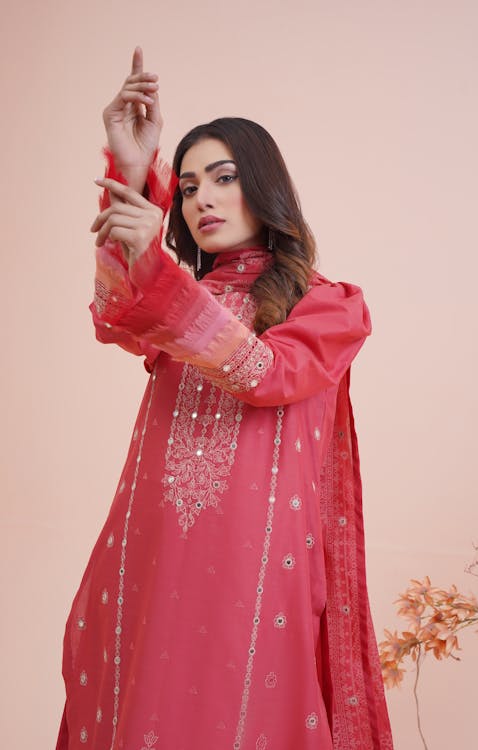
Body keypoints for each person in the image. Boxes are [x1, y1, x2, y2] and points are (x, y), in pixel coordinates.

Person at [56, 47, 393, 750]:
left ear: (263, 187)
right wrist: (128, 169)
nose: (200, 198)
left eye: (223, 177)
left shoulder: (326, 306)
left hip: (256, 571)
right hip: (149, 556)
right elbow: (113, 313)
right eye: (184, 187)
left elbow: (264, 374)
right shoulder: (180, 298)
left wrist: (161, 273)